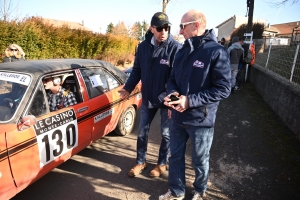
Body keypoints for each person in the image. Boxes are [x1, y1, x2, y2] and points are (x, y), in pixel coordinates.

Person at [159, 9, 231, 200]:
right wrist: (173, 95)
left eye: (183, 26)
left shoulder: (216, 51)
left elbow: (224, 89)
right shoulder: (183, 50)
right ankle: (177, 191)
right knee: (175, 157)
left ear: (196, 25)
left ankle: (200, 190)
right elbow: (172, 78)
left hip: (201, 120)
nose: (180, 31)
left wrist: (190, 101)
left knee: (199, 161)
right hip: (177, 116)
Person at [118, 12, 182, 177]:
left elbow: (177, 78)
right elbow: (137, 71)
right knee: (142, 132)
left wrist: (173, 102)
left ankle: (162, 163)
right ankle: (141, 162)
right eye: (160, 28)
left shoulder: (175, 48)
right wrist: (128, 87)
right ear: (152, 29)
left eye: (167, 28)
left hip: (167, 99)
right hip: (148, 97)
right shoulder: (143, 47)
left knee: (166, 134)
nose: (164, 32)